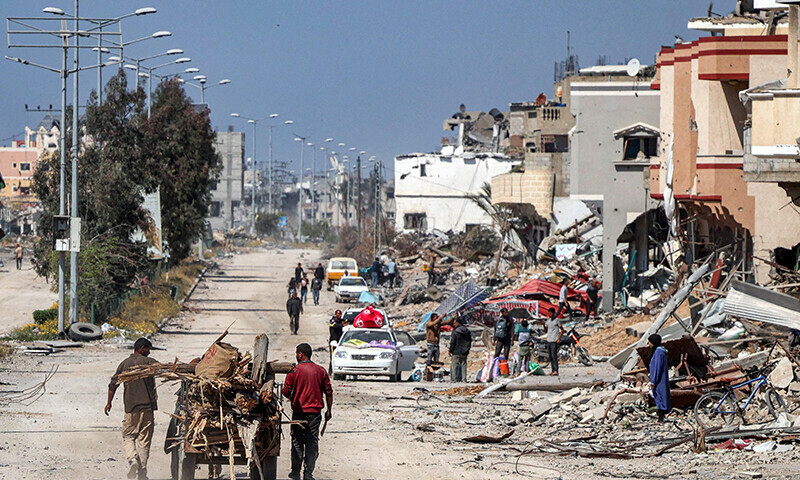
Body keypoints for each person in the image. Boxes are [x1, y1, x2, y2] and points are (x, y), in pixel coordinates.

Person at [105, 338, 158, 480]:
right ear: (141, 348)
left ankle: (132, 459)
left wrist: (109, 403)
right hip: (147, 408)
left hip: (131, 409)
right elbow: (164, 369)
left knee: (128, 436)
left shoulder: (124, 364)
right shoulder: (149, 362)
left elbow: (113, 384)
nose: (149, 351)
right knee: (144, 441)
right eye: (148, 348)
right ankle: (142, 474)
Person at [282, 343, 333, 480]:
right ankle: (308, 473)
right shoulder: (321, 370)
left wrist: (294, 397)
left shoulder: (294, 371)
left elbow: (286, 391)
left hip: (299, 413)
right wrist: (329, 410)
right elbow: (329, 392)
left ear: (300, 354)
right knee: (312, 442)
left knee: (297, 442)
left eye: (296, 353)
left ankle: (295, 472)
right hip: (315, 414)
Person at [648, 334, 671, 423]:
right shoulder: (662, 351)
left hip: (658, 379)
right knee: (662, 397)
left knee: (660, 397)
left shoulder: (658, 353)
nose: (649, 344)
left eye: (649, 342)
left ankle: (660, 419)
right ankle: (661, 418)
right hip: (661, 378)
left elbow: (657, 367)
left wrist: (653, 381)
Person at [449, 316, 471, 382]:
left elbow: (453, 342)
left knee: (454, 365)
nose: (453, 324)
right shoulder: (467, 330)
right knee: (464, 365)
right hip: (464, 351)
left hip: (456, 351)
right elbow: (470, 341)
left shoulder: (455, 331)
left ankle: (454, 379)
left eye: (454, 323)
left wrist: (450, 350)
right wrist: (467, 349)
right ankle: (464, 379)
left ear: (457, 323)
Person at [544, 309, 564, 376]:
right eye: (548, 313)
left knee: (554, 355)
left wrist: (558, 338)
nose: (549, 315)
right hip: (549, 340)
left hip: (554, 340)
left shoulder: (557, 320)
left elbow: (562, 330)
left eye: (550, 313)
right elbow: (546, 329)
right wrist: (543, 325)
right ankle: (553, 370)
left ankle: (556, 370)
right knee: (550, 356)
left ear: (553, 313)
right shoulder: (548, 320)